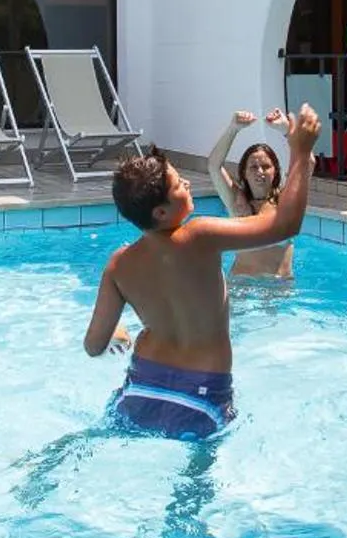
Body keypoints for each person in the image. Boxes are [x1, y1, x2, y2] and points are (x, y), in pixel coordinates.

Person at [83, 105, 322, 439]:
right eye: (177, 184)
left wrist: (114, 330)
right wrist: (300, 150)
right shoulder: (201, 235)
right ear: (161, 211)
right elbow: (287, 224)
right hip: (202, 392)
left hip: (141, 385)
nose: (185, 182)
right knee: (195, 486)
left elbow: (94, 346)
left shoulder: (119, 263)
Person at [204, 108, 295, 280]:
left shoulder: (286, 201)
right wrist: (233, 128)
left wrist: (286, 129)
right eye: (253, 167)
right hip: (242, 288)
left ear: (275, 171)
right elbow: (213, 165)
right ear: (244, 173)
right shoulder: (236, 202)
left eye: (266, 166)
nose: (260, 171)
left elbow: (306, 163)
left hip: (278, 294)